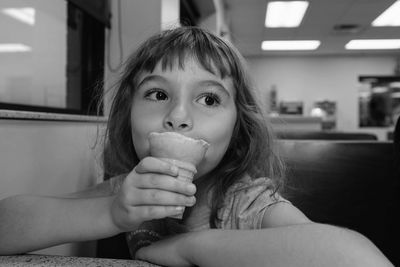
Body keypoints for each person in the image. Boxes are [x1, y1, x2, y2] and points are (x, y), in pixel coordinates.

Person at [0, 27, 393, 267]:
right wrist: (112, 213)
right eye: (157, 93)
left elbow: (350, 257)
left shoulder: (249, 202)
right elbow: (8, 226)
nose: (179, 115)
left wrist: (190, 247)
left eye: (208, 99)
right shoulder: (127, 192)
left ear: (239, 126)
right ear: (128, 117)